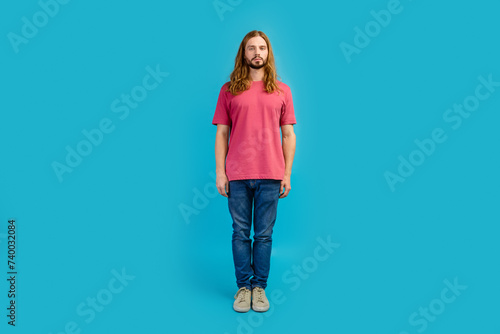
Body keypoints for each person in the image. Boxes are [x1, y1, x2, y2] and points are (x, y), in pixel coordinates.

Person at [212, 30, 297, 313]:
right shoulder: (229, 90)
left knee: (263, 235)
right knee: (240, 233)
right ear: (244, 54)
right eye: (251, 48)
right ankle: (243, 288)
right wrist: (220, 172)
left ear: (268, 53)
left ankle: (259, 288)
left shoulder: (282, 91)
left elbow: (288, 135)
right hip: (237, 174)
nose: (257, 52)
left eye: (262, 47)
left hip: (271, 174)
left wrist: (286, 173)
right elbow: (222, 134)